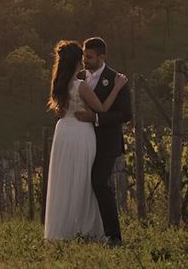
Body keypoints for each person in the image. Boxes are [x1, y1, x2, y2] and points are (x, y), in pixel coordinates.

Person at [43, 40, 127, 241]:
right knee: (81, 180)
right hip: (81, 133)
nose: (85, 60)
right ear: (76, 62)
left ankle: (64, 229)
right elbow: (103, 108)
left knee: (65, 180)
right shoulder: (80, 85)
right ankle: (86, 228)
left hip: (64, 132)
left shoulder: (59, 83)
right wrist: (117, 87)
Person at [73, 37, 132, 246]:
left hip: (106, 143)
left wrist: (96, 118)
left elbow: (125, 114)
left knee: (99, 183)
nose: (85, 61)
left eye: (89, 57)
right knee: (81, 185)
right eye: (83, 56)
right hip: (81, 142)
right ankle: (84, 230)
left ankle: (114, 236)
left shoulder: (117, 79)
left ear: (101, 57)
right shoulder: (78, 77)